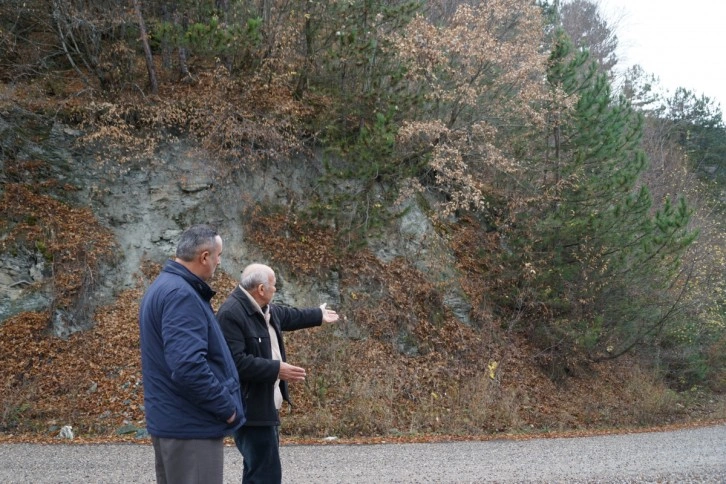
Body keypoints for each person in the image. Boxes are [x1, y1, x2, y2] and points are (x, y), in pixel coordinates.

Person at [139, 224, 246, 484]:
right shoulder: (181, 295)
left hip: (176, 423)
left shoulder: (163, 286)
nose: (220, 262)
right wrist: (227, 408)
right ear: (205, 257)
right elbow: (188, 366)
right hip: (191, 428)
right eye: (218, 255)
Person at [216, 263, 340, 484]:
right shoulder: (231, 314)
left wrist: (319, 315)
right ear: (261, 289)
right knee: (265, 474)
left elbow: (292, 316)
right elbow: (235, 362)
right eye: (274, 285)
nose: (276, 290)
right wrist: (277, 368)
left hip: (265, 407)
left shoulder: (265, 309)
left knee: (258, 470)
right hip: (250, 409)